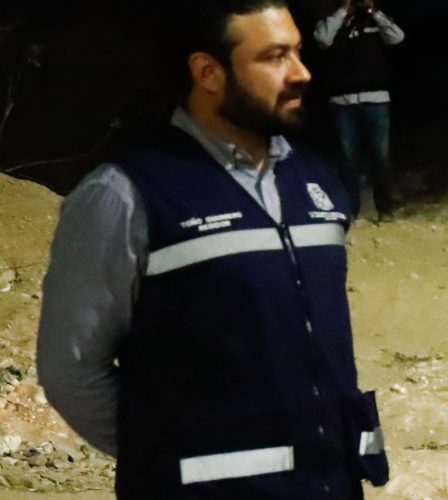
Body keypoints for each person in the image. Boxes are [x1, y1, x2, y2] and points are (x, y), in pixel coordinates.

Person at [36, 0, 388, 496]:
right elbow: (70, 370)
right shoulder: (125, 194)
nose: (302, 73)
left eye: (298, 52)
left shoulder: (317, 181)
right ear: (208, 73)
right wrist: (165, 454)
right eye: (275, 57)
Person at [313, 0, 404, 221]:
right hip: (342, 101)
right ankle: (350, 209)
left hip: (376, 98)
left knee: (381, 157)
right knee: (347, 159)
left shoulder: (373, 19)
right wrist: (343, 10)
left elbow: (397, 37)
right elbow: (322, 39)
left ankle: (385, 209)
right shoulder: (330, 21)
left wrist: (374, 12)